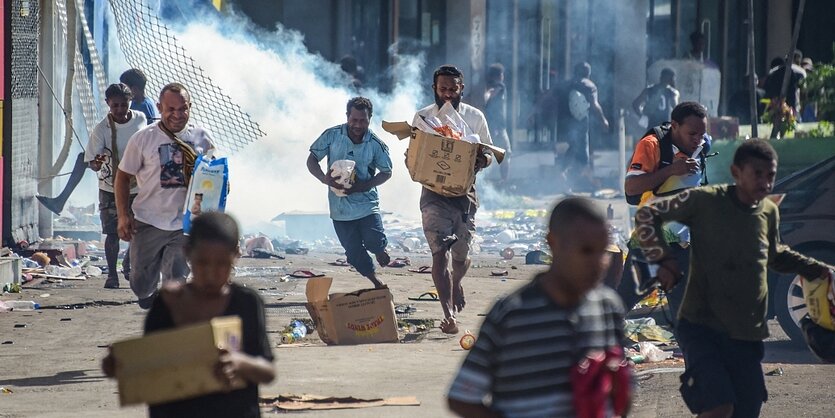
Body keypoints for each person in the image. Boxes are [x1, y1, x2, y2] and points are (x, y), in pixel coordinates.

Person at [634, 139, 832, 418]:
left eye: (771, 175)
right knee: (719, 405)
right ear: (736, 172)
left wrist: (817, 269)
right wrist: (663, 260)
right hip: (702, 327)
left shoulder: (767, 211)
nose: (765, 183)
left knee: (747, 407)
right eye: (757, 174)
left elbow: (775, 254)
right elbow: (647, 215)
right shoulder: (705, 201)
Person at [447, 197, 630, 418]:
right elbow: (462, 397)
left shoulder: (608, 308)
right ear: (554, 243)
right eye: (586, 251)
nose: (597, 264)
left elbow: (622, 393)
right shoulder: (512, 314)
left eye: (603, 252)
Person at [102, 212, 276, 417]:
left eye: (222, 264)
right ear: (187, 253)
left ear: (236, 255)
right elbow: (148, 363)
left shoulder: (246, 303)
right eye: (202, 263)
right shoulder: (167, 304)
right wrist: (118, 364)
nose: (211, 273)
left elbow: (267, 371)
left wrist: (239, 363)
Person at [116, 82, 214, 309]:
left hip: (185, 224)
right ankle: (146, 295)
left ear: (190, 107)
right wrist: (123, 216)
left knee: (175, 278)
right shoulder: (143, 139)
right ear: (159, 108)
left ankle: (170, 320)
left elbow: (213, 175)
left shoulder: (201, 137)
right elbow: (122, 177)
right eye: (171, 109)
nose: (177, 115)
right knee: (140, 281)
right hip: (148, 221)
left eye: (183, 109)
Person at [413, 65, 494, 334]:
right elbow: (415, 154)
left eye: (453, 89)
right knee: (439, 253)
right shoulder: (423, 117)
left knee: (461, 256)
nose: (448, 95)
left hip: (464, 196)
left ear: (461, 88)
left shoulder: (475, 117)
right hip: (433, 195)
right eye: (442, 89)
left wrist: (477, 159)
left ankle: (456, 282)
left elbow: (489, 154)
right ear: (434, 89)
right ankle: (448, 314)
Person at [618, 102, 709, 319]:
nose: (698, 139)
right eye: (692, 133)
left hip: (684, 243)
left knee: (685, 313)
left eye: (702, 133)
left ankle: (695, 352)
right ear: (675, 126)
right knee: (624, 300)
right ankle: (590, 341)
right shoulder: (652, 145)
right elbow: (631, 187)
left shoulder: (703, 144)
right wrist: (671, 170)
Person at [307, 97, 392, 289]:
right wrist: (324, 178)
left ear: (369, 119)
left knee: (373, 240)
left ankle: (379, 249)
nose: (357, 125)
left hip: (366, 203)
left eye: (362, 121)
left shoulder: (375, 144)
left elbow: (387, 172)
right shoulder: (332, 135)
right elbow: (312, 160)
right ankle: (376, 282)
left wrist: (363, 186)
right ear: (347, 117)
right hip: (340, 208)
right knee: (353, 252)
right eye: (354, 120)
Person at [85, 83, 147, 289]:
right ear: (108, 105)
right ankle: (112, 275)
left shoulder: (140, 119)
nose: (120, 110)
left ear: (130, 103)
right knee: (112, 232)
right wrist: (98, 162)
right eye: (115, 106)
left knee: (139, 228)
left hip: (138, 186)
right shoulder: (101, 129)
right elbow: (92, 164)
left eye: (124, 105)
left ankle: (129, 263)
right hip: (110, 187)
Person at [557, 62, 609, 192]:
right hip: (581, 123)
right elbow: (594, 104)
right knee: (583, 156)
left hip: (565, 122)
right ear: (588, 73)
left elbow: (552, 97)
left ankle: (564, 174)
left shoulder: (566, 85)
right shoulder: (589, 85)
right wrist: (603, 120)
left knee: (573, 148)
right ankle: (570, 180)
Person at [483, 63, 512, 183]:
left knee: (498, 153)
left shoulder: (497, 86)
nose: (503, 76)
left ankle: (502, 180)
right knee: (505, 153)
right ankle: (503, 181)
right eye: (501, 74)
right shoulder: (499, 86)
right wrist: (488, 95)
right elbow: (489, 95)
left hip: (498, 126)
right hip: (496, 127)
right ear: (498, 75)